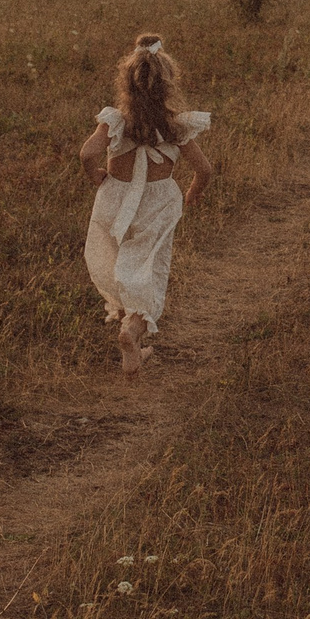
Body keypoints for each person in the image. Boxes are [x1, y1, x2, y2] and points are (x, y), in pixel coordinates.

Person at [79, 33, 214, 374]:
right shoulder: (176, 125)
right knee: (147, 270)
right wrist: (193, 191)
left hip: (115, 198)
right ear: (168, 85)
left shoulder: (116, 120)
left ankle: (134, 350)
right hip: (157, 205)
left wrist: (94, 173)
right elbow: (204, 169)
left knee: (119, 265)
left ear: (127, 83)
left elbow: (87, 153)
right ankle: (133, 330)